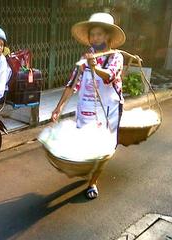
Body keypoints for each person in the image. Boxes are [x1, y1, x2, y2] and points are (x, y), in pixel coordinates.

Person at [51, 12, 126, 200]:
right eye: (92, 35)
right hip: (85, 111)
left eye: (99, 34)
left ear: (108, 36)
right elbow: (72, 84)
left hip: (107, 112)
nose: (95, 38)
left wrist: (95, 67)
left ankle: (93, 182)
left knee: (102, 149)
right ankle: (87, 169)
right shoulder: (85, 59)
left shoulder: (116, 57)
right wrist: (59, 107)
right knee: (86, 146)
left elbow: (109, 76)